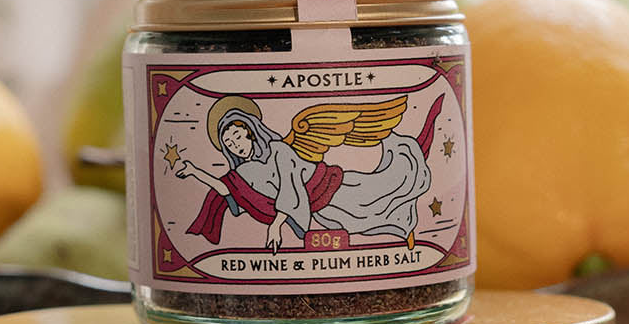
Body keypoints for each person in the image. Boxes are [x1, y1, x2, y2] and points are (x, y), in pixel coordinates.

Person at [176, 94, 442, 253]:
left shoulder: (279, 150)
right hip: (319, 207)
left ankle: (407, 229)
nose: (235, 144)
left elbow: (290, 188)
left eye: (236, 136)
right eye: (228, 143)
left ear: (250, 132)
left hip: (333, 188)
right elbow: (227, 189)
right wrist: (194, 171)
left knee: (382, 194)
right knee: (361, 223)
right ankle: (402, 231)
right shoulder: (244, 171)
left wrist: (276, 226)